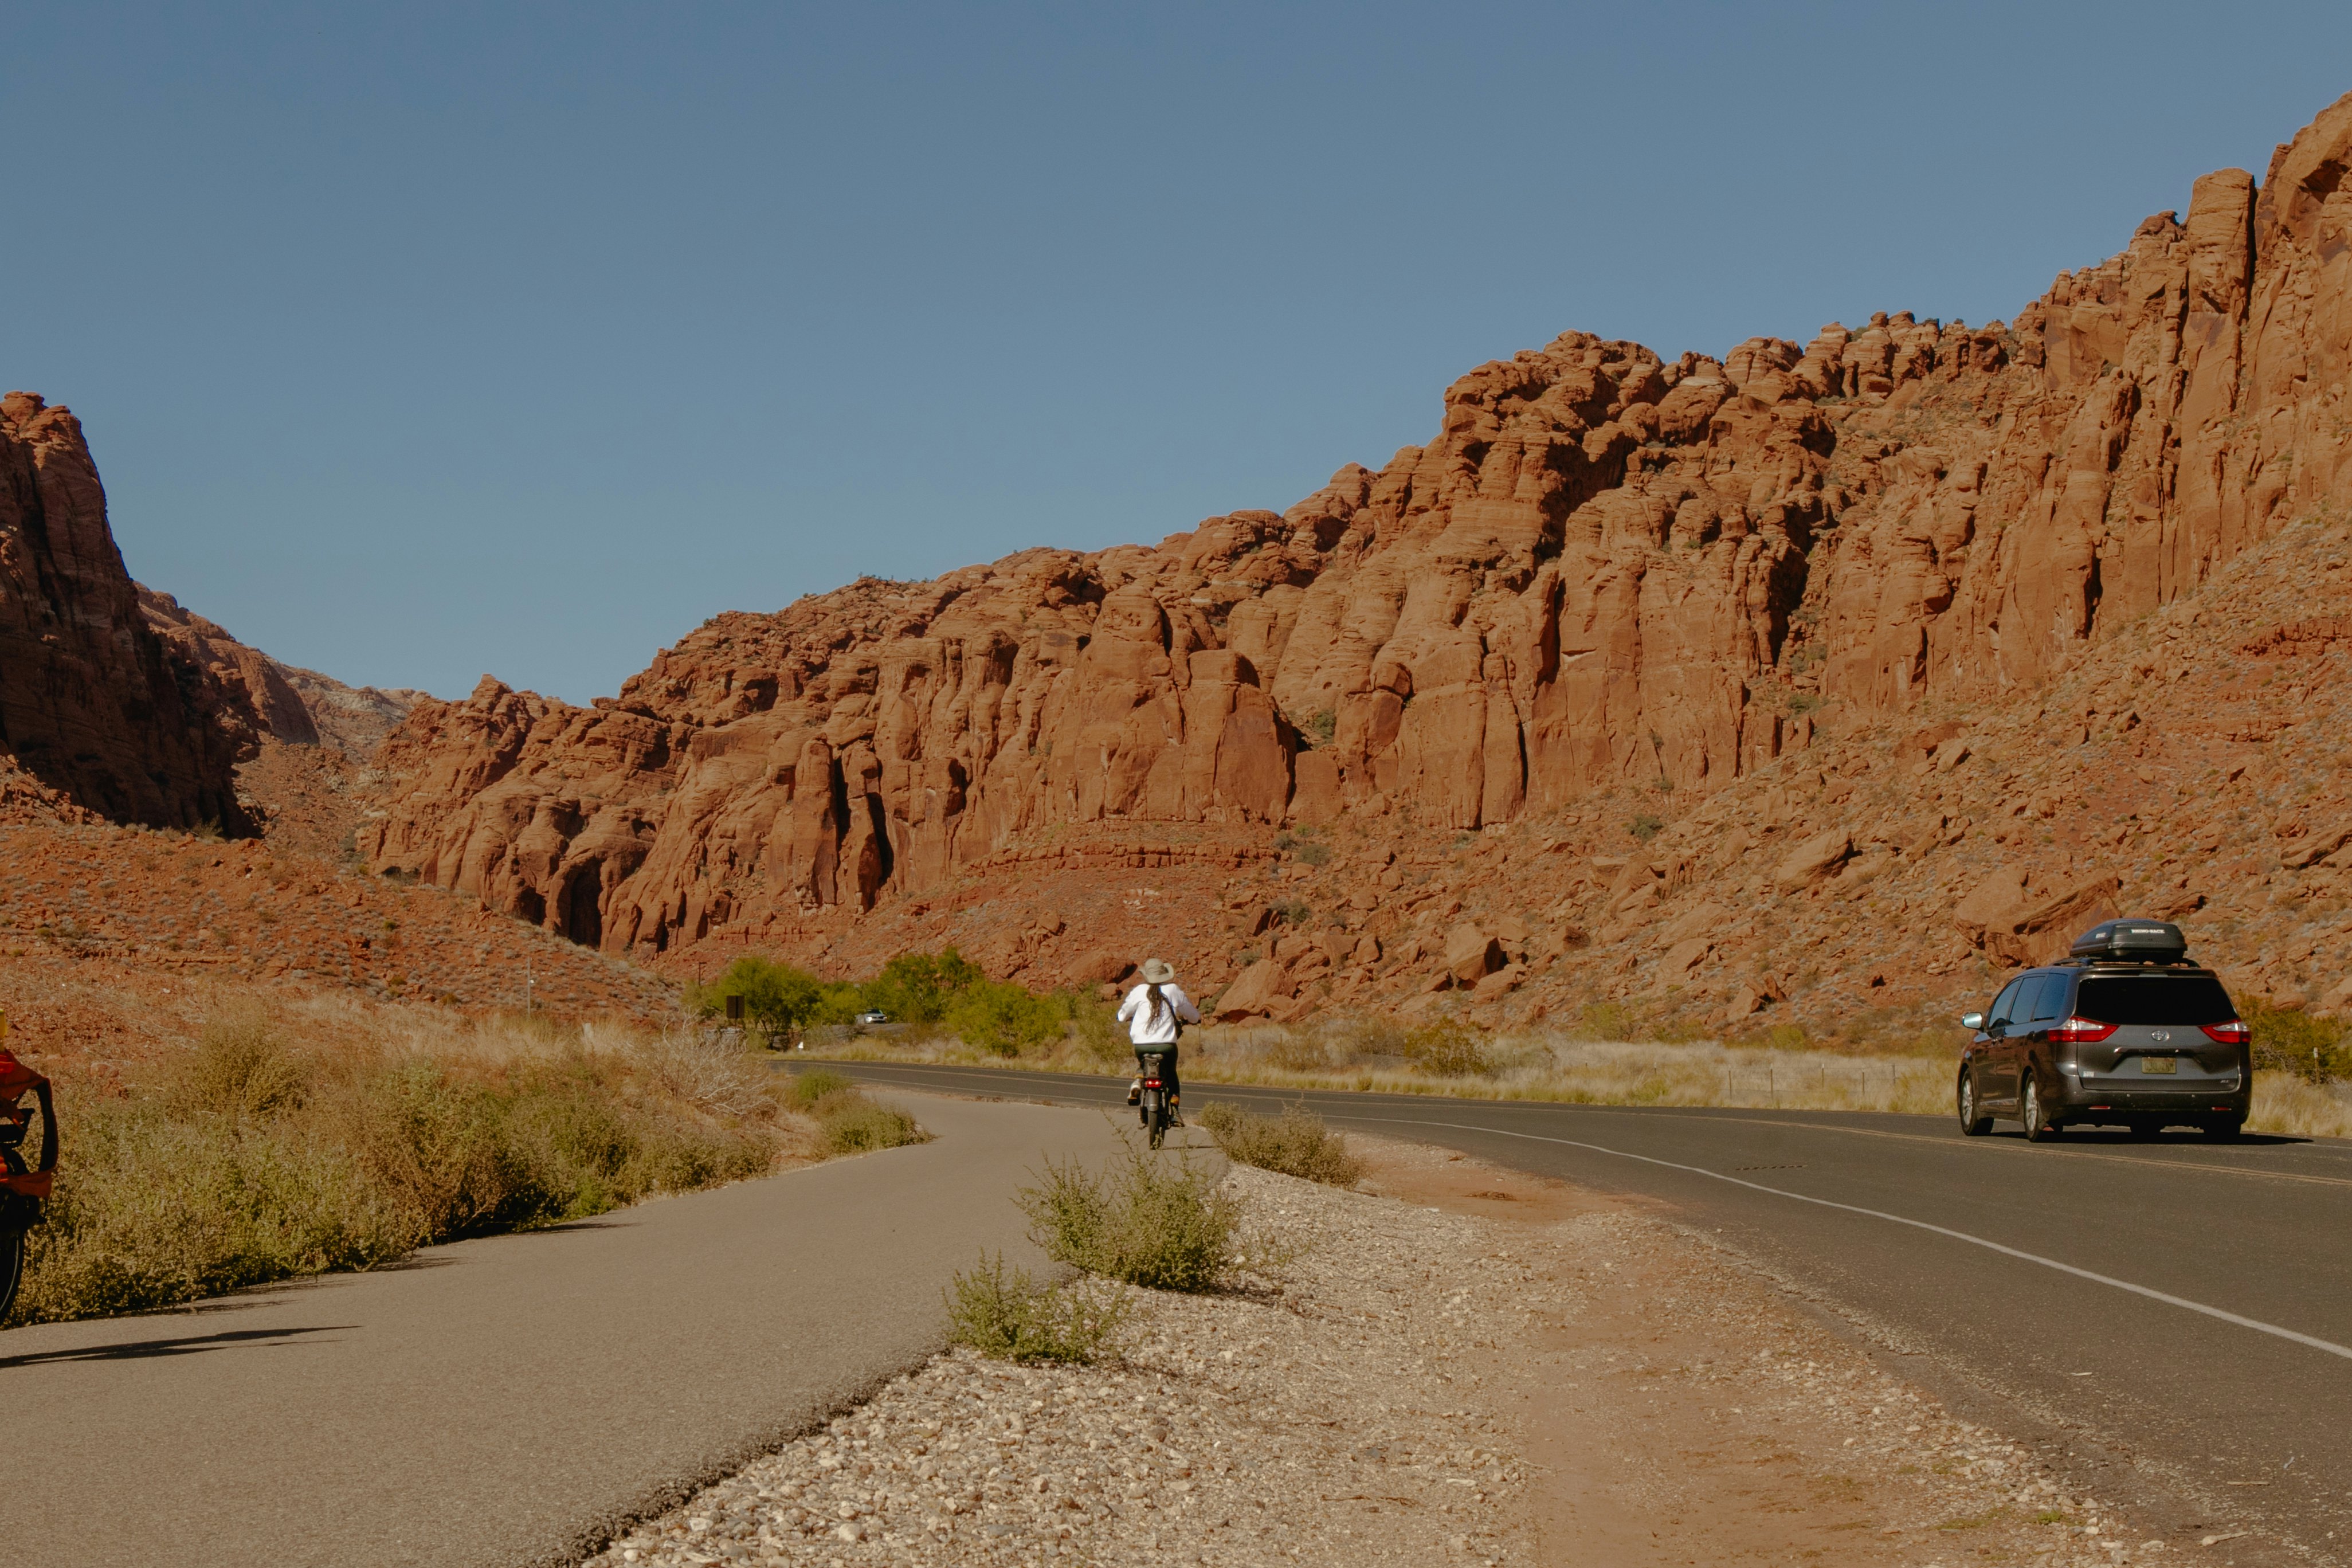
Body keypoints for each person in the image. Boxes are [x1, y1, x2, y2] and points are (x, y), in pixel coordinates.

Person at [1116, 959, 1200, 1123]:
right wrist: (1195, 1020)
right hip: (1167, 1046)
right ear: (1164, 974)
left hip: (1142, 1045)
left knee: (1143, 1064)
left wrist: (1123, 1017)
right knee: (1171, 1075)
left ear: (1146, 975)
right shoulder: (1173, 990)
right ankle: (1175, 1111)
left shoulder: (1139, 991)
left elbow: (1122, 1016)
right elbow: (1193, 1015)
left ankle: (1138, 1082)